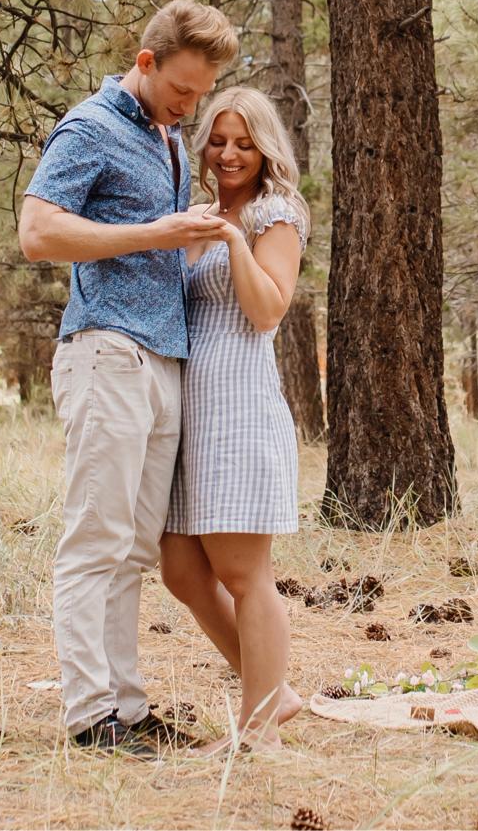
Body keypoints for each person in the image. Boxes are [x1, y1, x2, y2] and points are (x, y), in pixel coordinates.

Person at [18, 0, 239, 757]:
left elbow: (160, 247)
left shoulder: (166, 137)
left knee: (135, 549)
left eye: (202, 93)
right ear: (145, 63)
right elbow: (37, 232)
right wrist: (157, 231)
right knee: (97, 538)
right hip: (106, 350)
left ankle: (127, 709)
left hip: (164, 358)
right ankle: (89, 715)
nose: (191, 106)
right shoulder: (89, 128)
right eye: (181, 90)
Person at [158, 86, 311, 752]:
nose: (228, 154)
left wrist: (231, 239)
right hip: (189, 409)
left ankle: (259, 729)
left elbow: (268, 309)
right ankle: (274, 691)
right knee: (182, 570)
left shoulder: (274, 213)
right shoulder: (200, 213)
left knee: (245, 574)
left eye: (244, 143)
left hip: (238, 404)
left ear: (265, 148)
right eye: (219, 141)